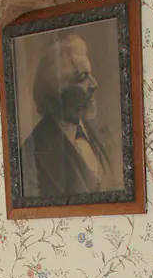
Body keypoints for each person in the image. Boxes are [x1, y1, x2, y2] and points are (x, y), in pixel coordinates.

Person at [20, 34, 117, 199]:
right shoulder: (31, 154)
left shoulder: (101, 132)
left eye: (90, 74)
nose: (94, 84)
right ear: (58, 90)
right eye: (82, 78)